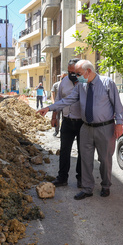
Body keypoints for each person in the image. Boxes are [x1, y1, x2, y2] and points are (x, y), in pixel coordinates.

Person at [38, 60, 123, 200]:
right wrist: (49, 108)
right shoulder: (81, 86)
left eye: (78, 74)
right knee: (85, 159)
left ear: (88, 71)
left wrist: (119, 123)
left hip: (105, 127)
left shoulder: (107, 83)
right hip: (86, 128)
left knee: (105, 159)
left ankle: (106, 185)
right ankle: (87, 188)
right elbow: (68, 100)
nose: (76, 77)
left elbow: (118, 105)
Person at [51, 59, 83, 188]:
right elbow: (58, 100)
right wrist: (54, 117)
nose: (71, 74)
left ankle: (81, 178)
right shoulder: (63, 82)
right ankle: (62, 178)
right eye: (69, 71)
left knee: (83, 152)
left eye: (73, 72)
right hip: (67, 121)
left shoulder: (85, 82)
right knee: (64, 151)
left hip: (82, 122)